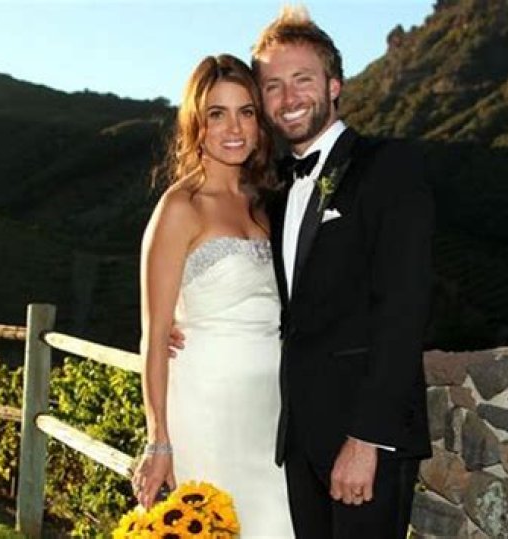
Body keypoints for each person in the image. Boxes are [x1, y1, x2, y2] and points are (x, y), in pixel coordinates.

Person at [252, 6, 433, 538]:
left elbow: (404, 308)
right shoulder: (276, 192)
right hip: (299, 441)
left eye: (302, 79)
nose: (288, 97)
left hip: (364, 442)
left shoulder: (389, 166)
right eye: (273, 85)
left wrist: (367, 437)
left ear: (334, 86)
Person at [131, 53, 296, 537]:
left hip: (273, 409)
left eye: (246, 112)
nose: (235, 128)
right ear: (195, 123)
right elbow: (154, 336)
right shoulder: (180, 208)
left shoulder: (266, 203)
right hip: (206, 407)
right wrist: (159, 440)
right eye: (217, 114)